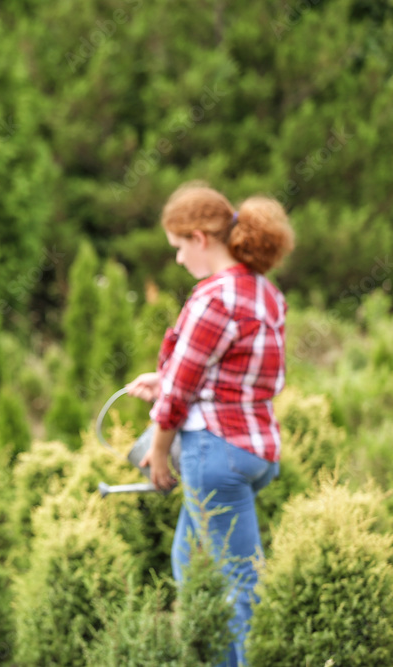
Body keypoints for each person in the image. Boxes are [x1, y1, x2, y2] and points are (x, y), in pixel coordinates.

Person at [125, 182, 294, 667]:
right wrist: (166, 379)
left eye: (178, 248)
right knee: (190, 563)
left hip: (214, 455)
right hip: (256, 449)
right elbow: (249, 375)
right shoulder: (267, 294)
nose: (178, 260)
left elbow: (180, 393)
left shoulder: (213, 298)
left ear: (200, 238)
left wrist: (158, 451)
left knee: (239, 589)